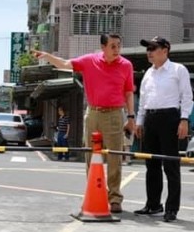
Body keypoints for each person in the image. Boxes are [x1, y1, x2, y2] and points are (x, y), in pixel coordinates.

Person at [32, 33, 136, 213]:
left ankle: (115, 198)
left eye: (118, 45)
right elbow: (65, 64)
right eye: (112, 46)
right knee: (90, 155)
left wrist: (131, 117)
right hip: (93, 113)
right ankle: (95, 193)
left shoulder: (126, 65)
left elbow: (128, 93)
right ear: (103, 47)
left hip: (114, 114)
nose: (117, 49)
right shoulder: (89, 61)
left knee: (114, 156)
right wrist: (48, 56)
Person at [133, 37, 194, 222]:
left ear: (165, 50)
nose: (149, 52)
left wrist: (184, 119)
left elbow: (187, 95)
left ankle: (172, 208)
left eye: (153, 48)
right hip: (150, 119)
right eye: (147, 49)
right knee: (151, 164)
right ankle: (153, 204)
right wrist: (139, 121)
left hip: (170, 118)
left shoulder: (178, 70)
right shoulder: (148, 74)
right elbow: (143, 100)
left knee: (171, 165)